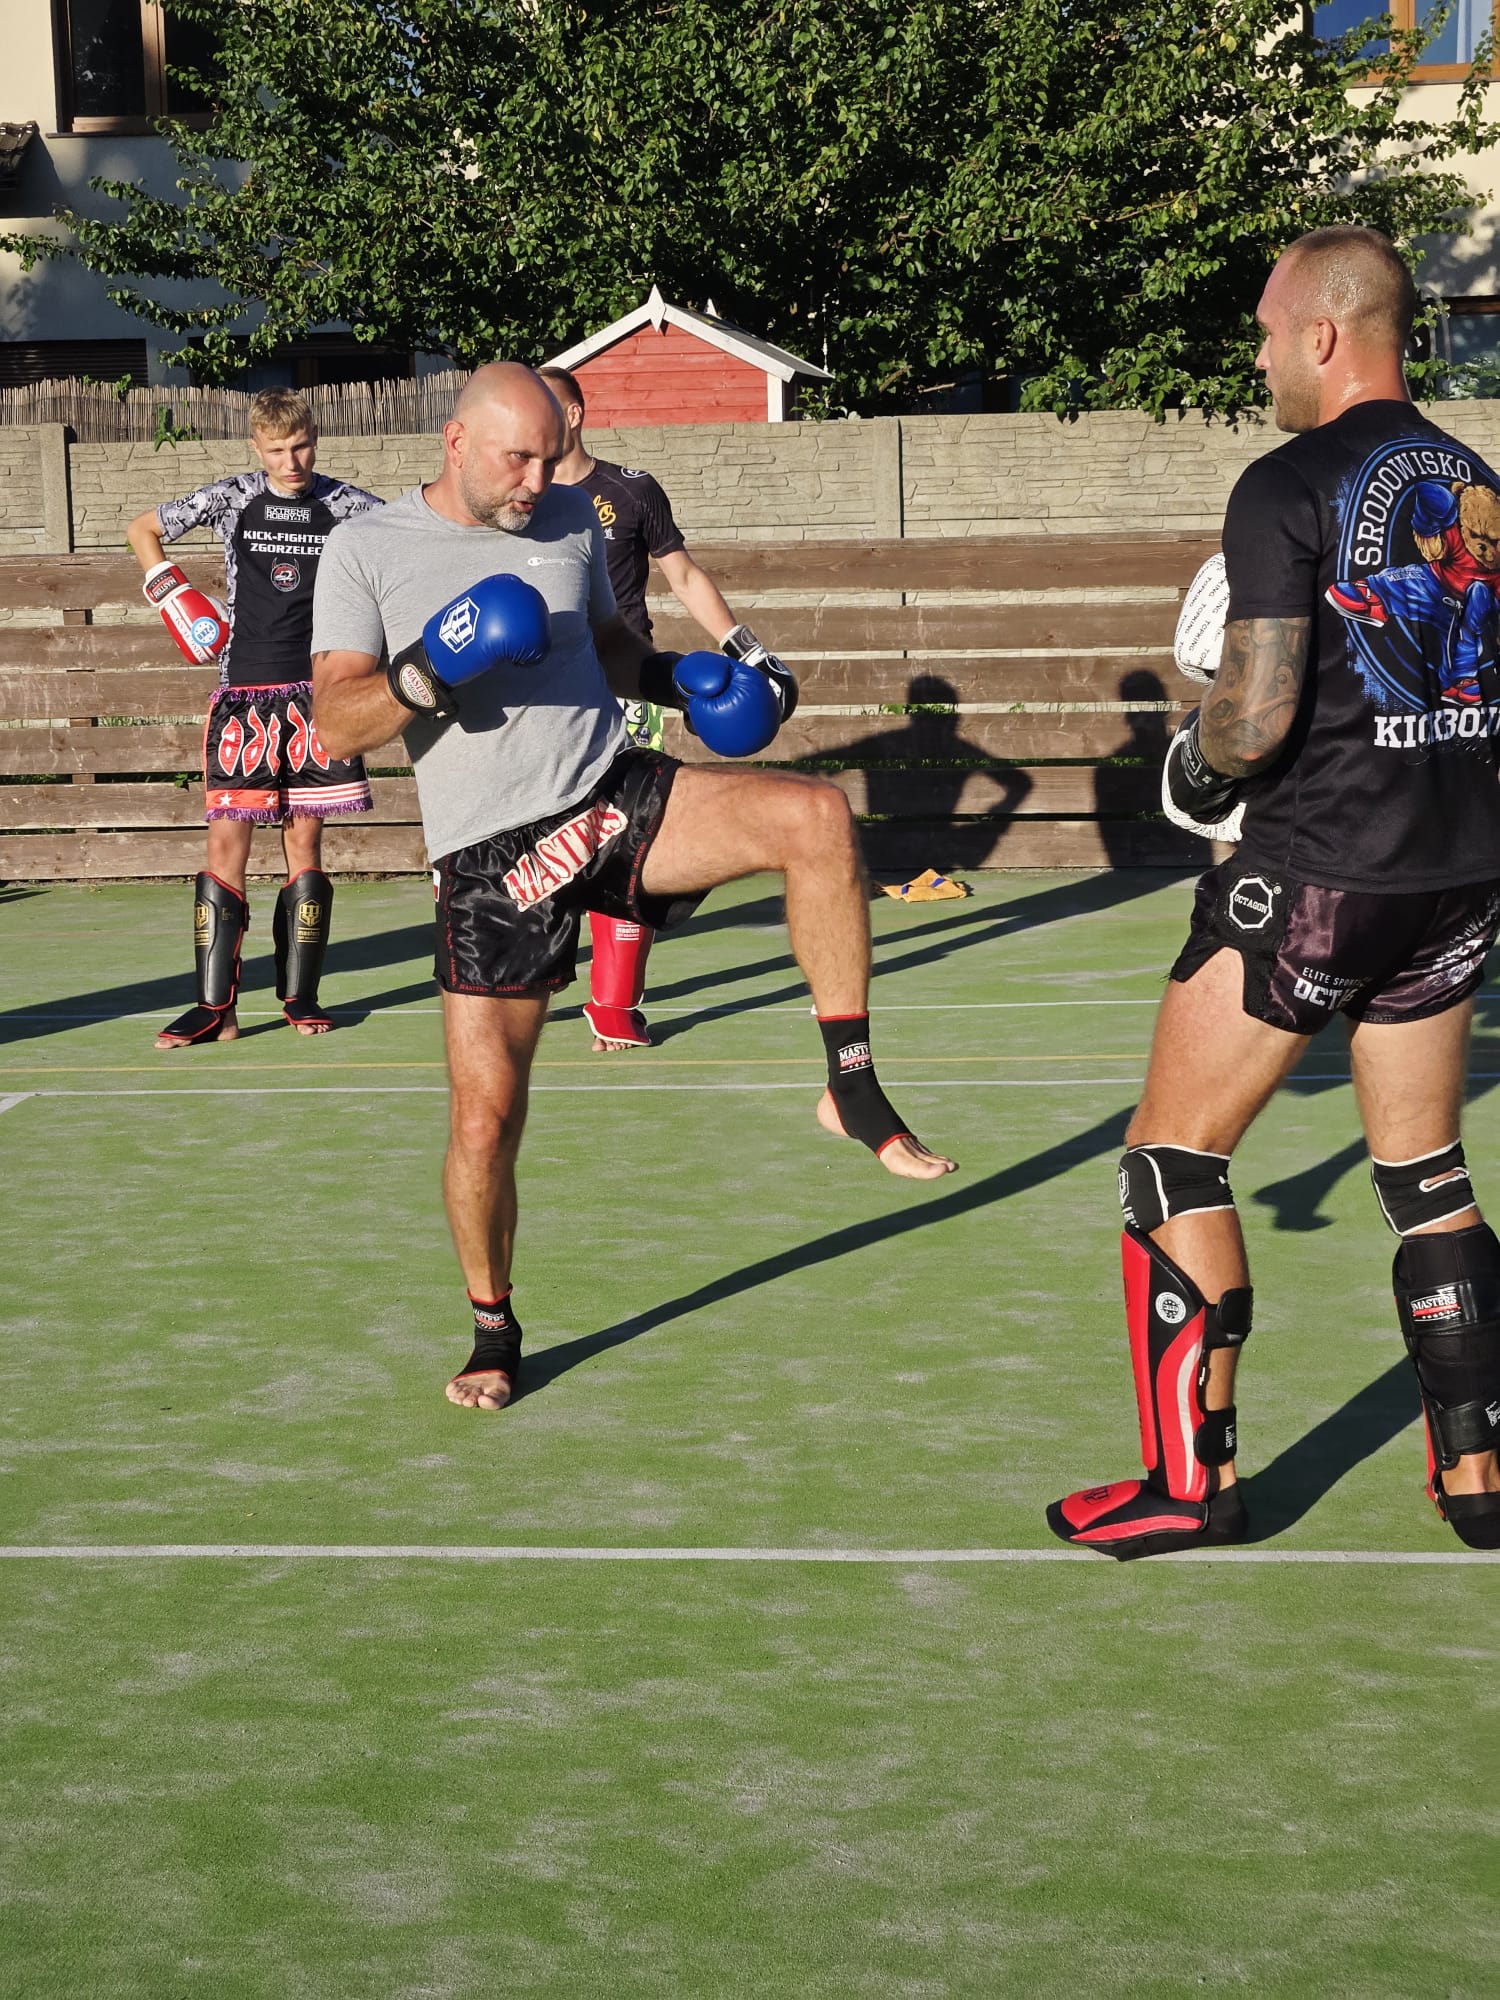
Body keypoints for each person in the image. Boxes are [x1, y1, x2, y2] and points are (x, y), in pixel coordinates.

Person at [310, 362, 955, 1413]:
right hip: (491, 858)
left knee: (817, 817)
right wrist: (432, 665)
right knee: (485, 1123)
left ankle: (849, 1081)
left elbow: (605, 646)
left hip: (610, 796)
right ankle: (493, 1328)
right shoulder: (368, 547)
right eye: (518, 459)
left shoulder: (570, 516)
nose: (539, 480)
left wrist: (679, 681)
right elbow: (335, 723)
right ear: (456, 442)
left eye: (550, 455)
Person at [1048, 226, 1500, 1558]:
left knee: (1171, 1161)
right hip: (1459, 871)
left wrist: (1192, 764)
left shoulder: (1285, 482)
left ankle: (1192, 1484)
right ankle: (1479, 1475)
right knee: (1426, 1173)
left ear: (1324, 334)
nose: (1258, 359)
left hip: (1317, 874)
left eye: (1264, 332)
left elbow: (1251, 722)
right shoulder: (1481, 482)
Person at [538, 363, 793, 1052]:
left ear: (574, 414)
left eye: (545, 408)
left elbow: (682, 574)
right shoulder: (516, 496)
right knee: (543, 835)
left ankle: (614, 1004)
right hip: (544, 691)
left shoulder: (631, 490)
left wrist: (747, 650)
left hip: (627, 687)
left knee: (629, 838)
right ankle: (535, 970)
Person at [126, 389, 383, 1047]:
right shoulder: (232, 497)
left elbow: (413, 543)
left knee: (305, 846)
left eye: (301, 446)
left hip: (318, 695)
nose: (291, 462)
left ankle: (301, 996)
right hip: (242, 694)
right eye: (276, 450)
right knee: (224, 846)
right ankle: (216, 1008)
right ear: (256, 446)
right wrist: (171, 592)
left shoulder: (349, 506)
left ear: (315, 438)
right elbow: (142, 529)